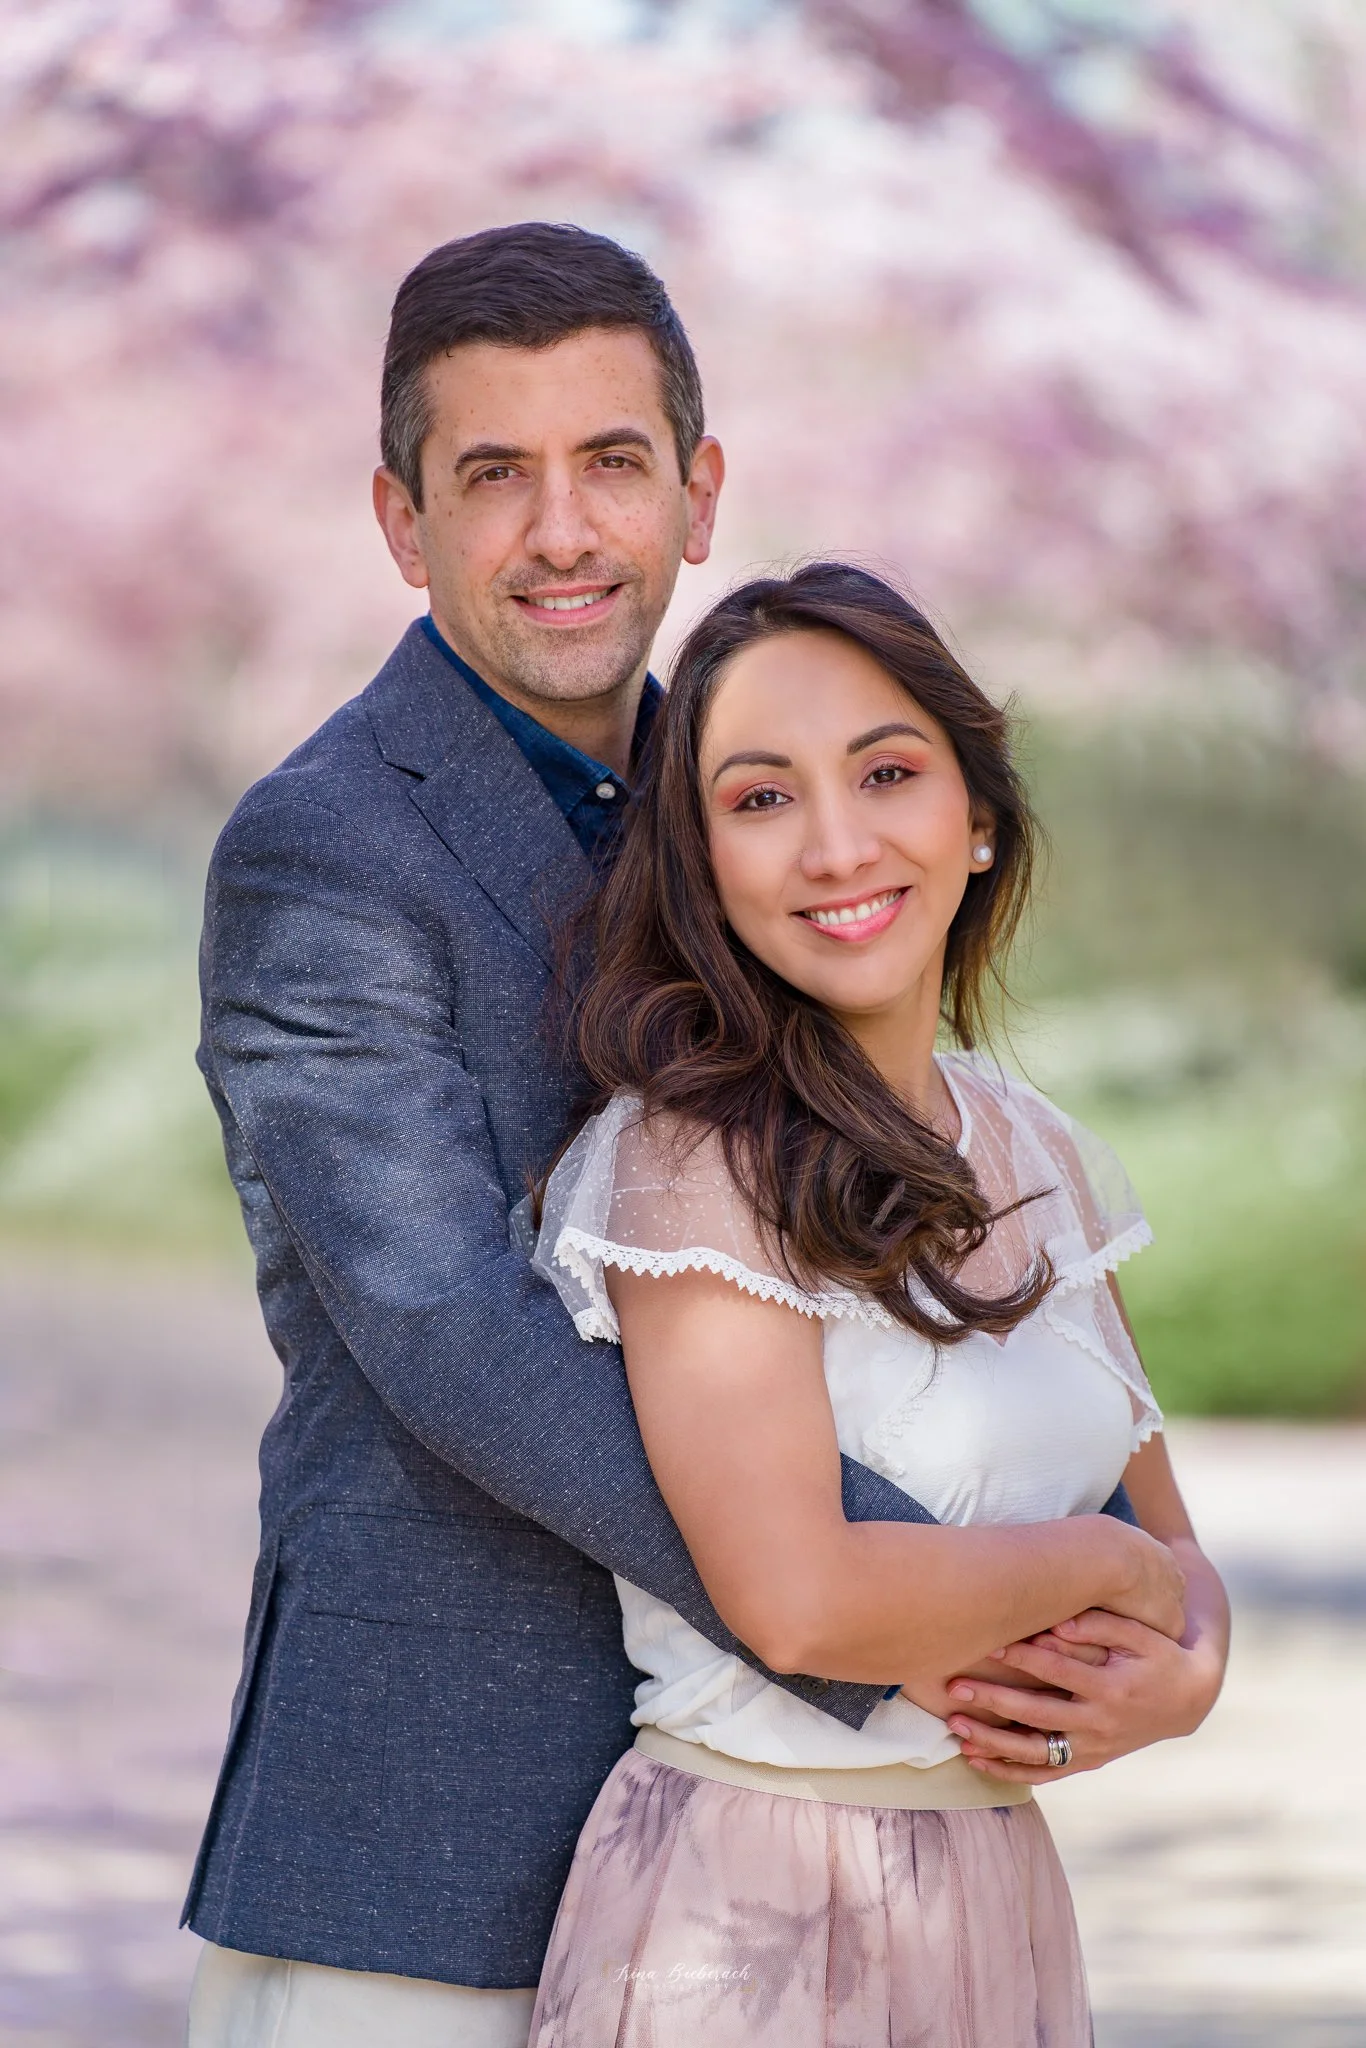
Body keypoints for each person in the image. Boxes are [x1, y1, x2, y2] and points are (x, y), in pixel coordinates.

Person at [186, 224, 1143, 2048]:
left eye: (610, 463)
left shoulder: (750, 826)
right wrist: (907, 1610)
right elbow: (455, 1336)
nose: (562, 533)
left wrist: (1128, 1629)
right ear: (401, 524)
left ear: (696, 494)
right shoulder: (323, 857)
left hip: (771, 1851)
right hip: (437, 1835)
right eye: (492, 478)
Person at [524, 562, 1230, 2046]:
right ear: (701, 861)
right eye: (761, 798)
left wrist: (1184, 1671)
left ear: (975, 817)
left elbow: (1170, 1549)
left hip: (993, 1895)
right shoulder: (691, 1161)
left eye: (888, 773)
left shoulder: (1027, 1148)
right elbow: (801, 1597)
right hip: (756, 1905)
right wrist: (1107, 1570)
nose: (836, 845)